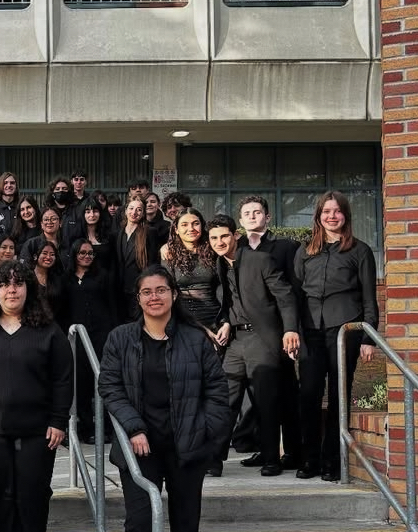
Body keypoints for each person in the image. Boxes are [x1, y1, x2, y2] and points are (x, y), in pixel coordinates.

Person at [97, 265, 232, 532]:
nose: (154, 297)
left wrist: (205, 435)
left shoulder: (195, 339)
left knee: (185, 529)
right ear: (138, 298)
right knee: (139, 528)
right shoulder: (121, 338)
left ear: (174, 294)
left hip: (188, 449)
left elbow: (218, 394)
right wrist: (134, 426)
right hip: (140, 451)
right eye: (146, 292)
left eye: (161, 290)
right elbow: (109, 385)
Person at [0, 260, 71, 532]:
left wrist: (58, 420)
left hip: (38, 428)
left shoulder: (48, 331)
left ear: (29, 288)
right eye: (4, 284)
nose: (11, 289)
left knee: (34, 492)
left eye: (18, 283)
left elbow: (62, 378)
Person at [206, 215, 300, 478]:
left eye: (224, 236)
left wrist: (290, 329)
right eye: (213, 238)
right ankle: (214, 460)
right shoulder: (219, 264)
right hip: (235, 341)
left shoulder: (259, 259)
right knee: (224, 399)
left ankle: (271, 459)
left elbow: (285, 295)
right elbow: (227, 301)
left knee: (265, 401)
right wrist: (225, 321)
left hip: (261, 338)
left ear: (235, 235)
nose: (219, 242)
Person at [294, 191, 379, 482]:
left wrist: (369, 337)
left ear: (345, 215)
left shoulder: (360, 251)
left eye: (337, 211)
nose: (332, 216)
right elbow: (295, 294)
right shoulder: (305, 251)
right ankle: (310, 460)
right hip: (310, 332)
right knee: (308, 395)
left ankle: (334, 462)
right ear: (318, 216)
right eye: (326, 211)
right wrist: (292, 331)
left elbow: (370, 297)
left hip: (345, 330)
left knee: (338, 397)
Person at [236, 195, 304, 472]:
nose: (252, 216)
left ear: (268, 217)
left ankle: (293, 453)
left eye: (257, 212)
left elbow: (293, 292)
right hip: (248, 335)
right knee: (258, 396)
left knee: (286, 394)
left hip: (279, 333)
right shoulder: (235, 247)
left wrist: (292, 328)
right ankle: (265, 450)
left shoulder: (286, 247)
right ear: (240, 221)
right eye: (247, 213)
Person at [63, 237, 119, 443]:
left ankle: (106, 428)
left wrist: (113, 332)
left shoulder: (102, 276)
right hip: (78, 337)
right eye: (82, 253)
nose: (86, 256)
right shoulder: (66, 278)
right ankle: (87, 428)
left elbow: (112, 305)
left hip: (101, 335)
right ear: (75, 254)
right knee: (83, 383)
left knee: (103, 380)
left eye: (90, 253)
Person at [160, 207, 220, 335]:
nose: (191, 228)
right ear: (176, 229)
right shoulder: (169, 256)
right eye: (184, 224)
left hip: (215, 318)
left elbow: (223, 289)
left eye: (195, 224)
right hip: (183, 320)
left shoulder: (214, 252)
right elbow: (169, 293)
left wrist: (225, 322)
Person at [115, 195, 160, 320]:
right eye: (131, 208)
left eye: (139, 209)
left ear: (143, 213)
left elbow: (152, 263)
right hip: (119, 290)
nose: (134, 212)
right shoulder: (118, 234)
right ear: (125, 210)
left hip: (139, 289)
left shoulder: (149, 232)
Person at [23, 236, 66, 329]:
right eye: (45, 253)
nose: (48, 257)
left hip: (55, 326)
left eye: (52, 254)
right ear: (35, 256)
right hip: (30, 326)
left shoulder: (58, 279)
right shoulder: (26, 278)